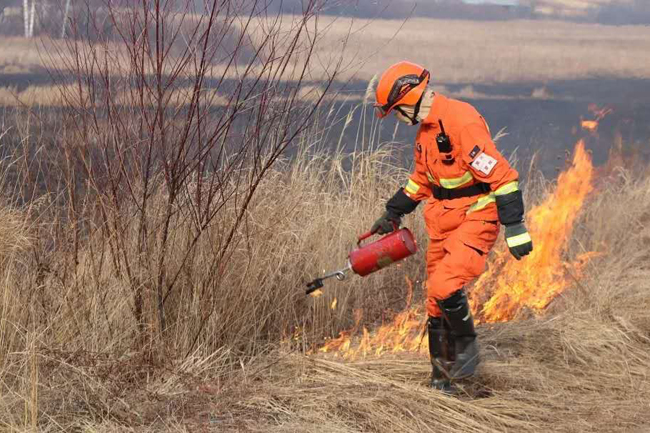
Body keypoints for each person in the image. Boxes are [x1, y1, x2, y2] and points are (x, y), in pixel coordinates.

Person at [371, 61, 533, 391]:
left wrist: (515, 226)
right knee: (434, 300)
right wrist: (393, 212)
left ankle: (468, 358)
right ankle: (440, 381)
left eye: (397, 112)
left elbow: (502, 178)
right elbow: (420, 181)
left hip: (476, 216)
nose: (399, 120)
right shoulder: (425, 135)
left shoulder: (462, 121)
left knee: (444, 285)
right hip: (442, 221)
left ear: (411, 99)